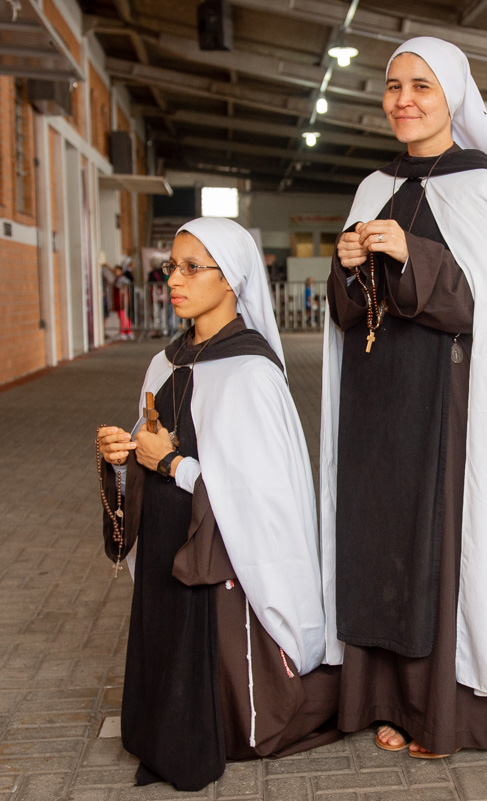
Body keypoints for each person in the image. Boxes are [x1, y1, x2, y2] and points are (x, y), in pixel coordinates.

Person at [320, 36, 487, 760]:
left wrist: (413, 253)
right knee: (378, 545)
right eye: (393, 86)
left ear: (453, 95)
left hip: (447, 408)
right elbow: (349, 311)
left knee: (437, 548)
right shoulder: (373, 187)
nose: (404, 100)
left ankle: (446, 714)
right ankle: (383, 698)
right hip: (376, 407)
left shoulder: (480, 186)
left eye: (421, 86)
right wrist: (347, 265)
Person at [95, 217, 341, 791]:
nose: (173, 280)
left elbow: (260, 499)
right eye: (171, 267)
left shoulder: (251, 372)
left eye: (191, 268)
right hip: (167, 544)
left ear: (230, 278)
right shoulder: (164, 363)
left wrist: (171, 465)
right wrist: (121, 458)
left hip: (221, 561)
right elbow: (151, 445)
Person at [112, 264, 133, 340]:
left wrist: (123, 288)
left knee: (123, 316)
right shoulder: (117, 279)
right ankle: (128, 331)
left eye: (117, 271)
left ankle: (124, 331)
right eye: (115, 271)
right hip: (117, 299)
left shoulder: (122, 279)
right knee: (122, 316)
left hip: (122, 300)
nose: (116, 272)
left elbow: (127, 284)